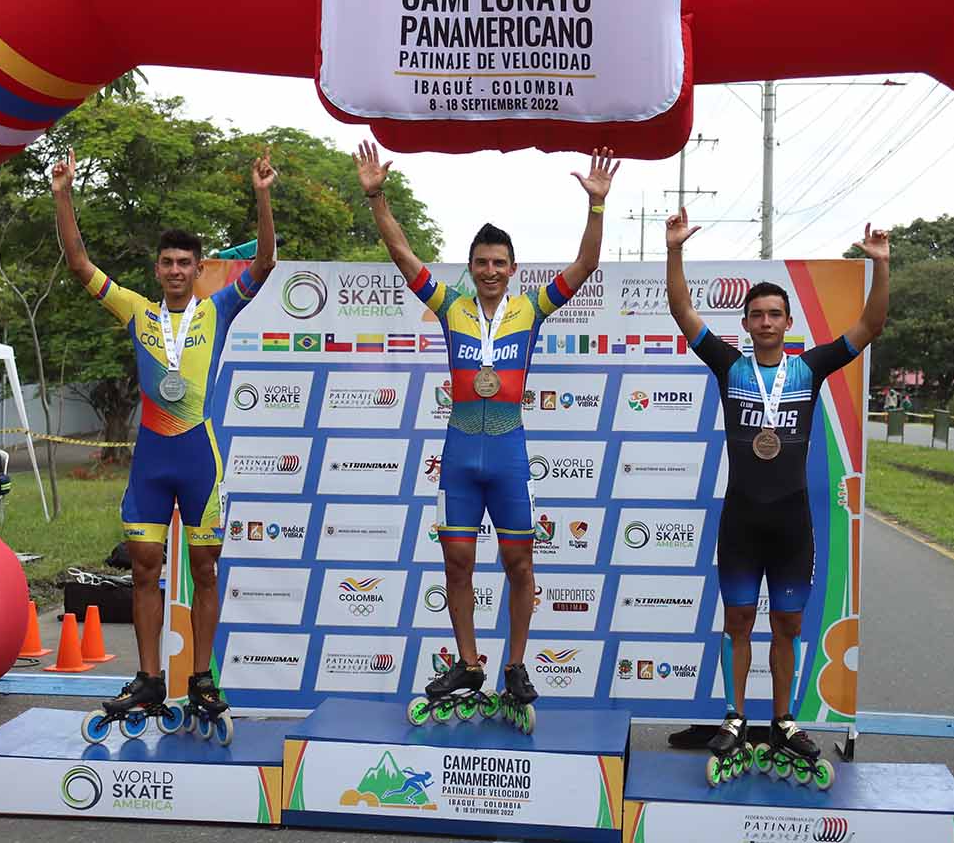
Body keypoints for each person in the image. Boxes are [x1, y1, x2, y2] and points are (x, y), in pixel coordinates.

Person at [354, 140, 613, 725]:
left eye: (500, 263)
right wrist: (376, 196)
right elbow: (400, 252)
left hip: (510, 452)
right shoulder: (449, 306)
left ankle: (515, 665)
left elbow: (586, 266)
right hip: (461, 451)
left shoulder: (532, 308)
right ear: (469, 267)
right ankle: (469, 663)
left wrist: (596, 207)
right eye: (482, 262)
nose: (491, 271)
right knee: (457, 565)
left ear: (512, 269)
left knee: (521, 564)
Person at [53, 147, 277, 728]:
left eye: (185, 262)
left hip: (199, 458)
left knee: (205, 570)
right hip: (152, 458)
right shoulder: (135, 311)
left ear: (199, 269)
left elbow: (266, 264)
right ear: (156, 270)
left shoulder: (219, 308)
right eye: (167, 262)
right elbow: (79, 265)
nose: (176, 270)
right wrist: (62, 195)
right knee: (145, 569)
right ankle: (151, 679)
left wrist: (262, 197)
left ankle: (201, 679)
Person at [665, 208, 889, 775]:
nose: (765, 322)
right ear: (746, 324)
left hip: (792, 525)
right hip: (742, 522)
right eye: (756, 315)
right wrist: (674, 251)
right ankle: (736, 717)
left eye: (774, 314)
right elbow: (682, 311)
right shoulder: (729, 366)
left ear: (788, 322)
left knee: (786, 626)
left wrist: (881, 268)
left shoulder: (809, 369)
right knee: (737, 622)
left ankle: (784, 718)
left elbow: (869, 329)